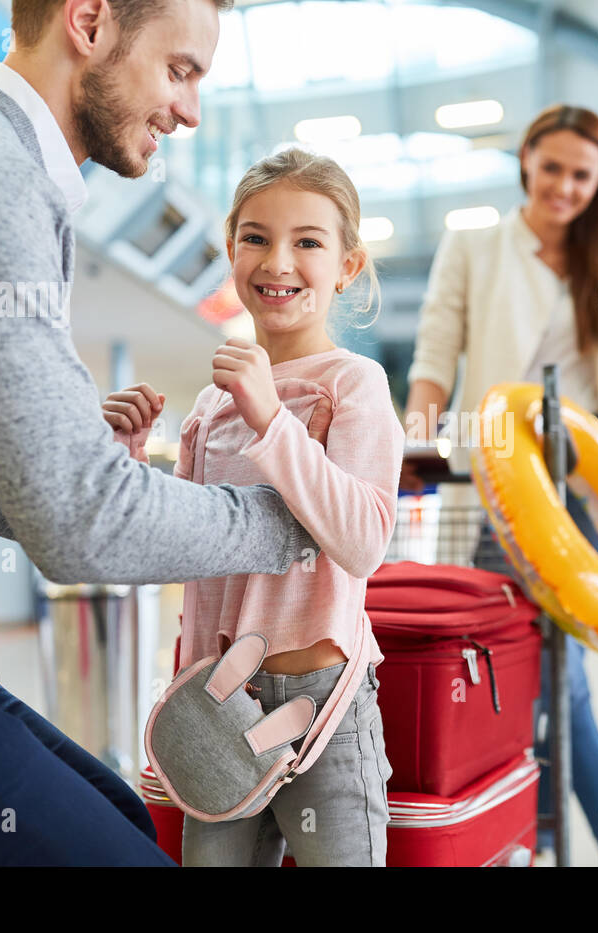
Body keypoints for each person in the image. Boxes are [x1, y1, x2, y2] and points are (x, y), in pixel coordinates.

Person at [0, 0, 327, 865]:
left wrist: (55, 453)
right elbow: (81, 526)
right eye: (179, 71)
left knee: (122, 818)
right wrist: (299, 516)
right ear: (88, 22)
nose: (191, 111)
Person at [105, 147, 403, 866]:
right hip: (217, 702)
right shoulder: (212, 404)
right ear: (231, 251)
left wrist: (272, 420)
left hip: (322, 702)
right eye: (256, 237)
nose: (279, 261)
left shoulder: (353, 384)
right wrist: (130, 462)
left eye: (308, 242)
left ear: (347, 266)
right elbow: (185, 542)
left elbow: (362, 541)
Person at [404, 104, 598, 866]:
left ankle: (549, 844)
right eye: (552, 169)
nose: (565, 187)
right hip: (495, 487)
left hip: (574, 491)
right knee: (531, 674)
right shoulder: (476, 243)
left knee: (549, 679)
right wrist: (418, 431)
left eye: (583, 175)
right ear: (525, 163)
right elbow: (438, 346)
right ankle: (571, 847)